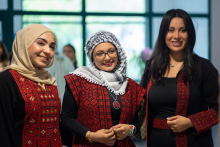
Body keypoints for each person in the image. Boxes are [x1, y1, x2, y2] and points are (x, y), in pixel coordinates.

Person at [141, 9, 219, 147]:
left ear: (190, 33)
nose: (176, 36)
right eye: (170, 30)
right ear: (163, 33)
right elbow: (138, 102)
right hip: (156, 141)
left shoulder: (203, 67)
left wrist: (191, 122)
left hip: (195, 142)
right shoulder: (151, 66)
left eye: (182, 30)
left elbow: (217, 107)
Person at [60, 31, 146, 147]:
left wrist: (129, 129)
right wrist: (91, 135)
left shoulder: (131, 86)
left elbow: (137, 123)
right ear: (92, 58)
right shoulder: (78, 81)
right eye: (100, 54)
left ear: (118, 53)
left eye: (111, 51)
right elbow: (66, 118)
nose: (107, 57)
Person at [0, 24, 62, 147]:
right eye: (41, 43)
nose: (48, 51)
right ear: (24, 44)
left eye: (52, 47)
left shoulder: (49, 80)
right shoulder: (6, 80)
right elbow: (3, 132)